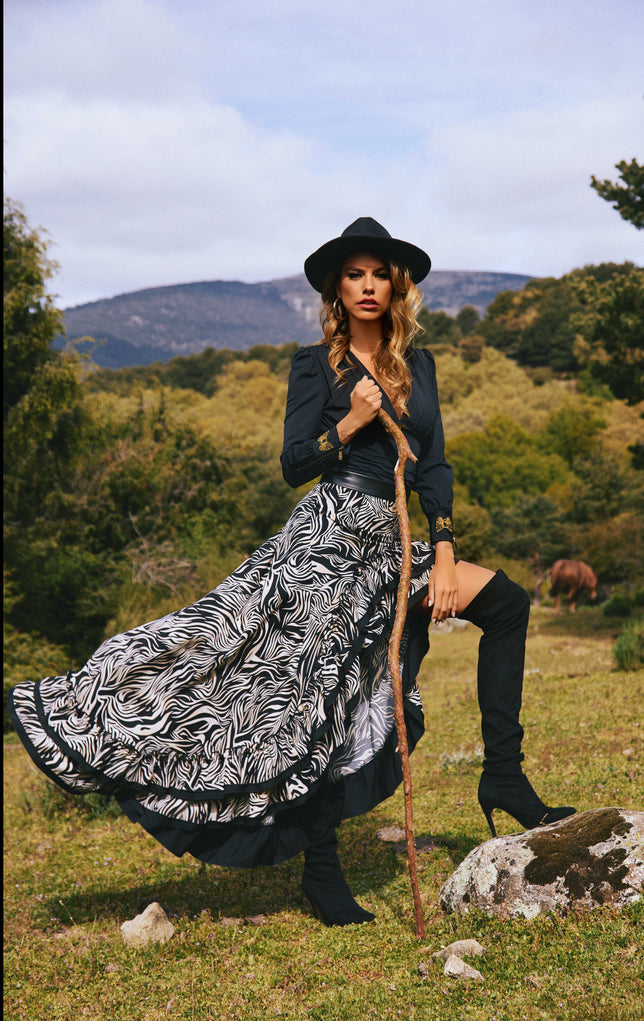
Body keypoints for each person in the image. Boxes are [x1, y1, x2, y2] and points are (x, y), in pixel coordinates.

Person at [7, 217, 575, 928]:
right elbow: (292, 465)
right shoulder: (317, 365)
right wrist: (347, 425)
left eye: (378, 274)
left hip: (402, 541)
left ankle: (505, 778)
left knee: (509, 605)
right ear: (338, 288)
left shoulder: (418, 365)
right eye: (353, 274)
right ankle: (323, 874)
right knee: (318, 699)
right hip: (332, 542)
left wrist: (449, 548)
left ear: (395, 285)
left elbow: (434, 464)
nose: (367, 286)